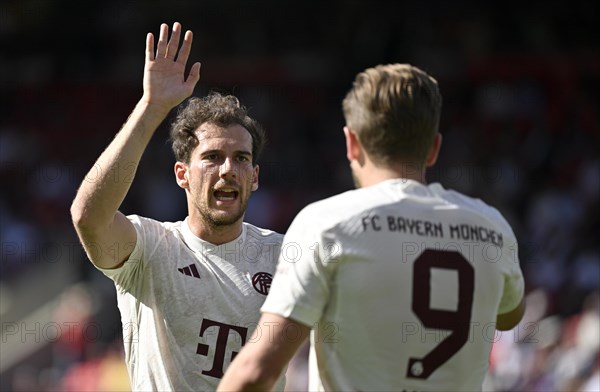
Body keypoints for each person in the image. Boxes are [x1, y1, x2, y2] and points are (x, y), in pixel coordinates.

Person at [218, 63, 526, 391]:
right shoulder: (492, 228)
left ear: (351, 143)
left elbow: (257, 373)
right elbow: (509, 314)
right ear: (434, 148)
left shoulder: (327, 224)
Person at [70, 22, 285, 391]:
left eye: (242, 158)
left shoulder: (285, 256)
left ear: (255, 177)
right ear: (182, 174)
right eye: (213, 157)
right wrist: (151, 107)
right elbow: (88, 217)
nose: (229, 169)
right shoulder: (152, 248)